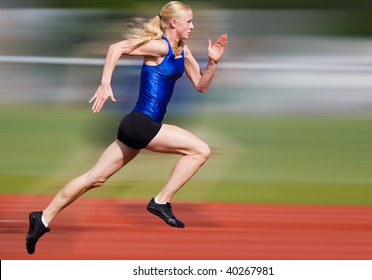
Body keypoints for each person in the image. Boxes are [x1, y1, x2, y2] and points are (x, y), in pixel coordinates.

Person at [25, 0, 227, 255]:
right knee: (200, 150)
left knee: (94, 178)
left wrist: (212, 63)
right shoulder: (159, 47)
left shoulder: (183, 52)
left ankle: (42, 218)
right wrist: (104, 84)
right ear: (174, 23)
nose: (193, 26)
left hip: (135, 126)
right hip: (142, 124)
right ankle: (160, 201)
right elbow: (116, 47)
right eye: (189, 21)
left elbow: (201, 85)